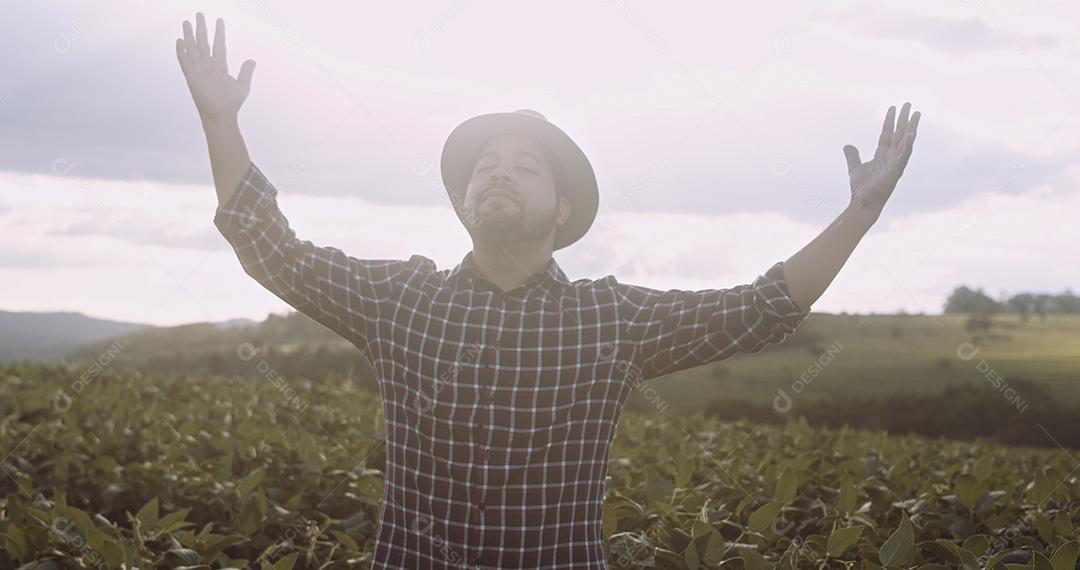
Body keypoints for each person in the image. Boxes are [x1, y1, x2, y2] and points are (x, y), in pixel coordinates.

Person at [177, 12, 920, 569]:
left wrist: (858, 215)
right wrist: (220, 121)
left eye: (526, 166)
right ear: (465, 200)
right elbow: (270, 247)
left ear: (562, 212)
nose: (498, 172)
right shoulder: (399, 299)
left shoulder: (610, 318)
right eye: (486, 165)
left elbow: (764, 309)